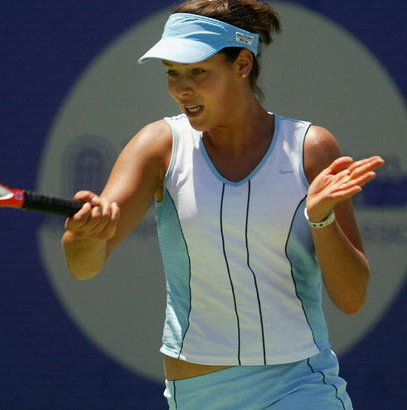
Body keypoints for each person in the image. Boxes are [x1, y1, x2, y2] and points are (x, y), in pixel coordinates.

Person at [61, 0, 384, 408]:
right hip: (197, 393)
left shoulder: (311, 149)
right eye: (172, 74)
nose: (182, 88)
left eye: (198, 72)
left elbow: (351, 298)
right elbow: (82, 265)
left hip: (300, 386)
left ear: (243, 64)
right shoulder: (157, 146)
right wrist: (85, 235)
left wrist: (320, 220)